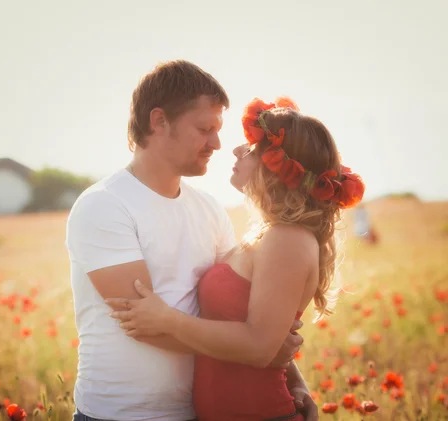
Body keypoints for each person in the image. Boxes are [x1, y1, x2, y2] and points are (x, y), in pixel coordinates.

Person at [66, 61, 315, 421]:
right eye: (204, 129)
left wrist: (293, 377)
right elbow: (146, 324)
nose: (216, 143)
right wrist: (259, 348)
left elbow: (237, 312)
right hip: (118, 414)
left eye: (217, 130)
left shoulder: (209, 209)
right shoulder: (104, 205)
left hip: (197, 412)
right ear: (159, 121)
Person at [108, 97, 365, 420]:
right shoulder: (266, 234)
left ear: (278, 165)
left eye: (251, 148)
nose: (235, 151)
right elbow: (263, 339)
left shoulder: (288, 240)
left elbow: (259, 347)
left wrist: (168, 319)